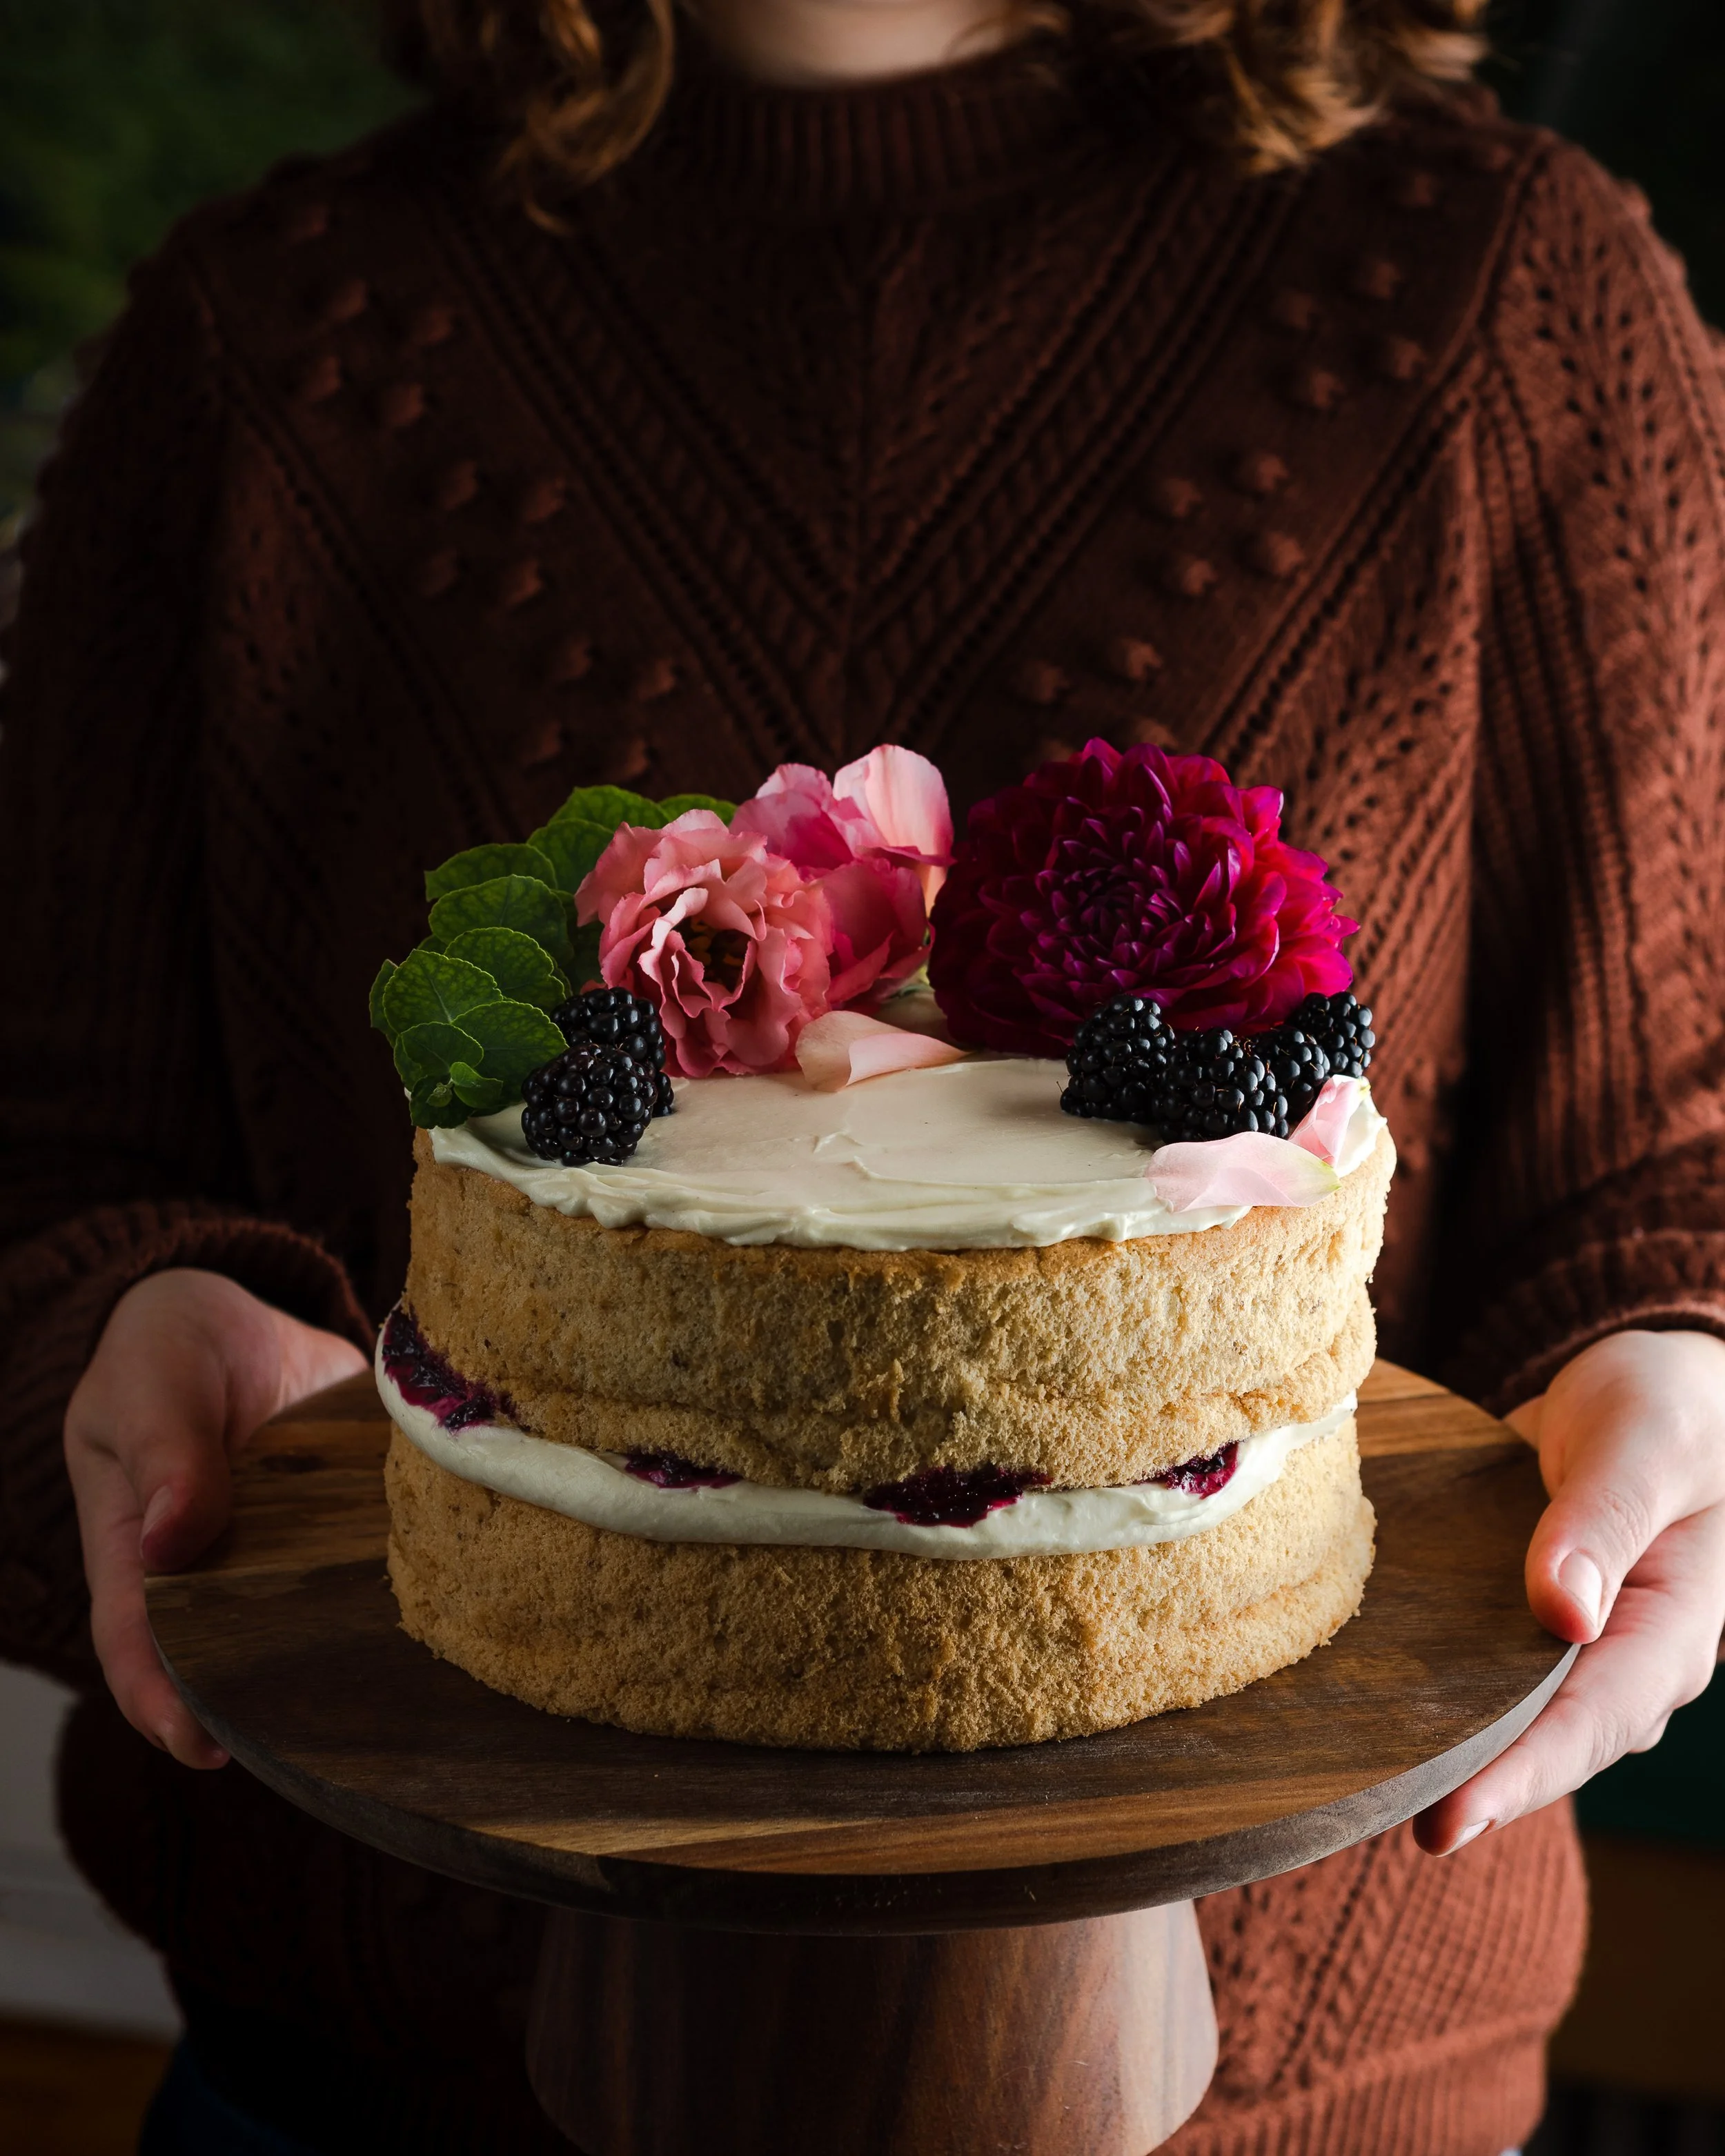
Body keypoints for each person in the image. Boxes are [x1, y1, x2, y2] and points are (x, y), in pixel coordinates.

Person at [3, 0, 1723, 2148]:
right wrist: (118, 1327)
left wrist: (1678, 1368)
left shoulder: (1501, 292)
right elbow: (53, 1161)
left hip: (1308, 2089)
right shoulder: (265, 341)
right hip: (388, 2079)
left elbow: (1668, 1154)